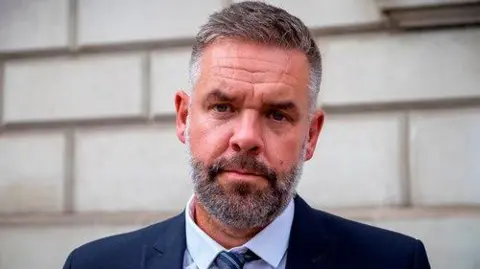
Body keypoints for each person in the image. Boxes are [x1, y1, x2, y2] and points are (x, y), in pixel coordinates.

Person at [63, 1, 431, 269]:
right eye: (223, 107)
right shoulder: (93, 264)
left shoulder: (395, 262)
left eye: (277, 114)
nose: (246, 137)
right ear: (183, 117)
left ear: (312, 135)